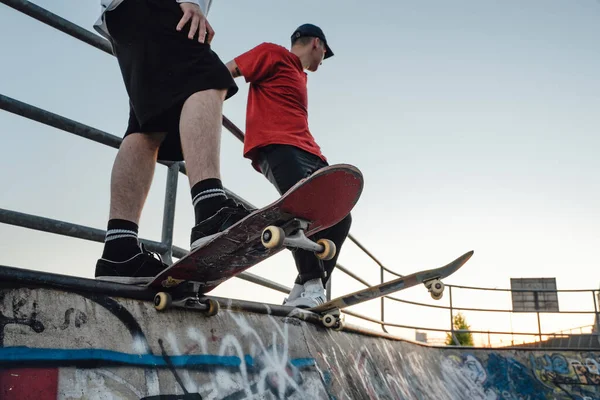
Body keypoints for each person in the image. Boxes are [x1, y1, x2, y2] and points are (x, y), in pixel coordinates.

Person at [92, 0, 251, 284]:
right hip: (157, 6)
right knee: (207, 79)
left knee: (145, 126)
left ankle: (120, 251)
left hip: (120, 17)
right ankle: (210, 210)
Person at [225, 24, 352, 308]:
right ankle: (313, 284)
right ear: (317, 44)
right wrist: (203, 103)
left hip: (310, 152)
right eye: (323, 54)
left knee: (340, 218)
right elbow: (227, 71)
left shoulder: (300, 76)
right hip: (278, 147)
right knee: (299, 210)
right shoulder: (272, 53)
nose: (321, 62)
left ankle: (303, 288)